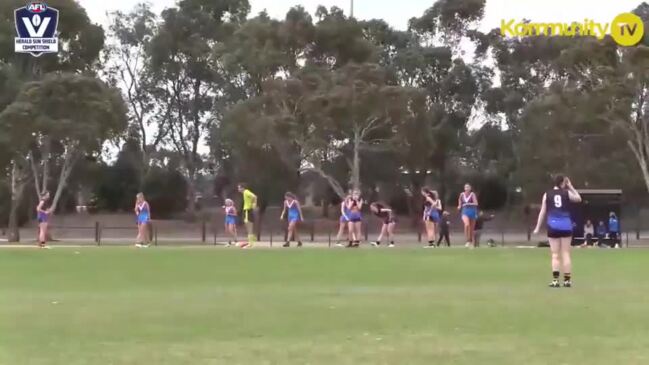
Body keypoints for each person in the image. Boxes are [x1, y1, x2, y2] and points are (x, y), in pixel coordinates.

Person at [533, 175, 582, 288]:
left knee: (555, 254)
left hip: (553, 226)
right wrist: (571, 187)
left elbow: (542, 212)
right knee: (565, 253)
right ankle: (567, 281)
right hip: (565, 226)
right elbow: (578, 198)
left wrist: (537, 227)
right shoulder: (566, 193)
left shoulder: (547, 194)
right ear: (562, 183)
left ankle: (555, 281)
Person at [458, 183, 479, 248]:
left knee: (471, 229)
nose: (467, 188)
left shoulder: (472, 194)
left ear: (470, 188)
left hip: (472, 211)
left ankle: (471, 241)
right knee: (467, 224)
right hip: (465, 211)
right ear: (464, 188)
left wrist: (469, 203)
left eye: (468, 187)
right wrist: (459, 205)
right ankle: (467, 240)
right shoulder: (462, 194)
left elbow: (476, 203)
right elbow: (459, 200)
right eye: (466, 187)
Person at [238, 183, 258, 247]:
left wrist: (254, 204)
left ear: (243, 188)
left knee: (249, 226)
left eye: (239, 187)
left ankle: (250, 243)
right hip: (247, 211)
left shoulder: (246, 192)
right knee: (248, 226)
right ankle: (252, 239)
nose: (238, 189)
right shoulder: (245, 193)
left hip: (247, 211)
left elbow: (254, 196)